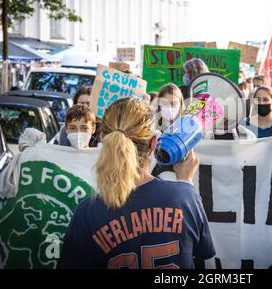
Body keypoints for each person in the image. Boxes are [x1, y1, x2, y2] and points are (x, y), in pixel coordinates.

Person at [58, 97, 215, 269]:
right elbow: (201, 253)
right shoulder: (184, 196)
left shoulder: (86, 213)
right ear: (153, 143)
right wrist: (186, 182)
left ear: (102, 138)